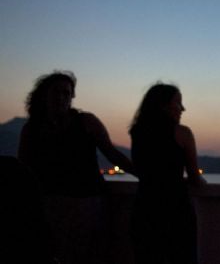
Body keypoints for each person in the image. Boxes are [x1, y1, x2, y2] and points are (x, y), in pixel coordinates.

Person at [18, 70, 136, 264]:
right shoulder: (31, 129)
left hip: (88, 205)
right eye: (56, 92)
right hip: (50, 206)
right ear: (44, 95)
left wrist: (145, 175)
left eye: (66, 93)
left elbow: (113, 155)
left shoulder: (87, 122)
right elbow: (23, 169)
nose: (61, 97)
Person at [129, 83, 206, 264]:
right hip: (175, 209)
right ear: (163, 105)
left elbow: (142, 170)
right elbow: (194, 177)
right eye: (178, 102)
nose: (182, 108)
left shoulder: (137, 132)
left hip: (144, 207)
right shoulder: (182, 133)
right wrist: (201, 182)